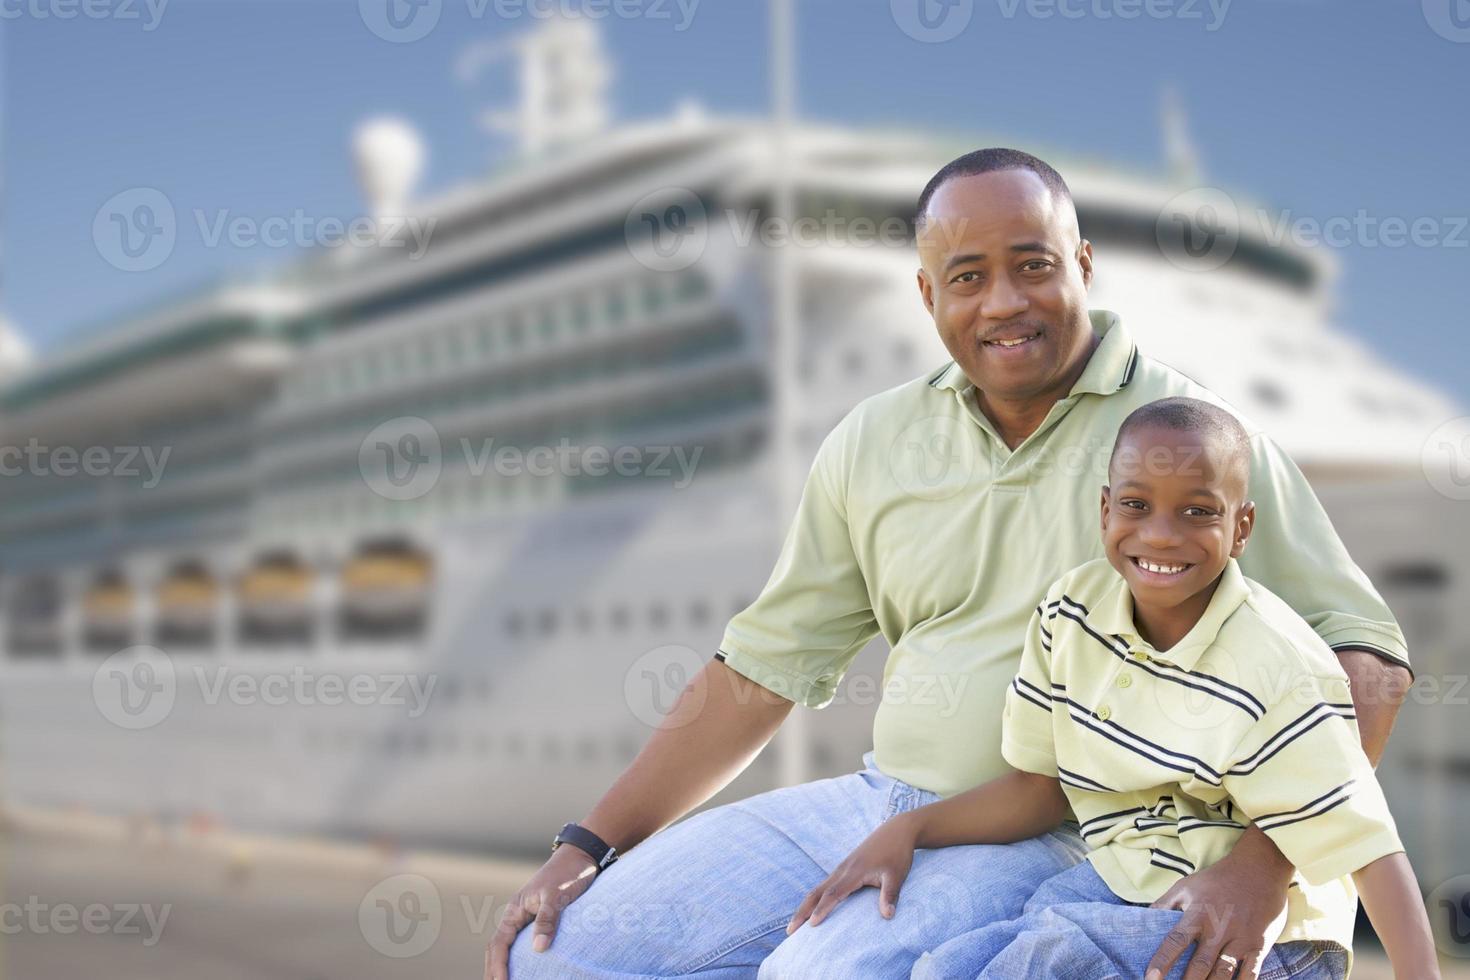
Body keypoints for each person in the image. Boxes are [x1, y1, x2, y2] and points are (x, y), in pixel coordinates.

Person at [487, 149, 1414, 980]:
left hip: (1072, 826)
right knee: (560, 958)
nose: (1004, 301)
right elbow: (758, 674)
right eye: (968, 276)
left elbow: (1366, 662)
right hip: (882, 798)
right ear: (928, 297)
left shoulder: (1190, 438)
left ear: (1082, 268)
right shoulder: (874, 437)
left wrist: (1261, 863)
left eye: (1034, 266)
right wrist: (585, 847)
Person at [785, 397, 1439, 980]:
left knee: (1028, 963)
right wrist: (910, 828)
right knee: (946, 966)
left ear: (1241, 528)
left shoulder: (1278, 663)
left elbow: (1372, 849)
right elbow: (1037, 789)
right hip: (1120, 882)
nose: (1160, 533)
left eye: (1197, 511)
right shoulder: (1069, 613)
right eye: (1136, 505)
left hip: (1264, 941)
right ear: (1105, 510)